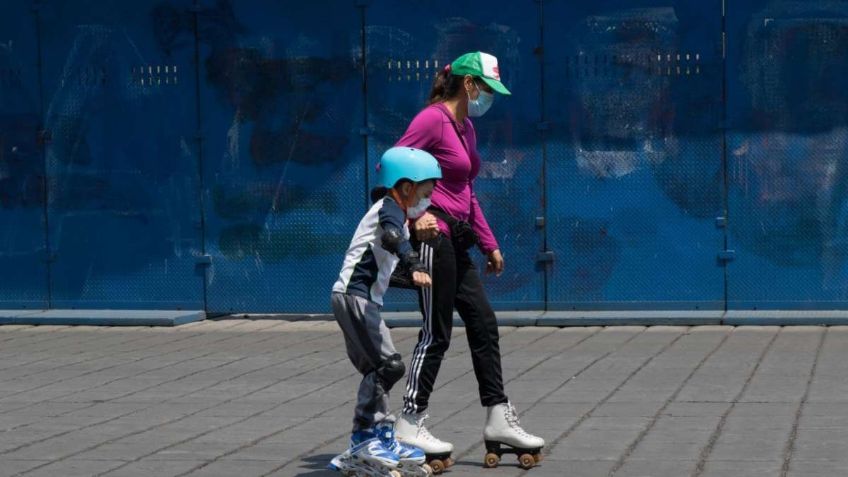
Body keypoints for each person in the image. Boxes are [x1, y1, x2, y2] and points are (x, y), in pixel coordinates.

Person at [392, 52, 545, 470]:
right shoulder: (432, 120)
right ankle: (409, 418)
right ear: (469, 85)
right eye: (487, 89)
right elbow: (391, 166)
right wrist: (413, 213)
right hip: (432, 236)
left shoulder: (466, 128)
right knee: (435, 333)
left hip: (457, 241)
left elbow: (466, 193)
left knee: (483, 324)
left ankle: (498, 417)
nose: (489, 97)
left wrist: (488, 242)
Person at [329, 147, 442, 477]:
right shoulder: (390, 209)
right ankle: (364, 438)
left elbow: (384, 269)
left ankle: (376, 435)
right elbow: (393, 238)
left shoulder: (393, 214)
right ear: (406, 187)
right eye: (425, 193)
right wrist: (414, 261)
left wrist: (419, 278)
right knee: (389, 366)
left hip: (359, 300)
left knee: (380, 371)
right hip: (355, 298)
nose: (427, 202)